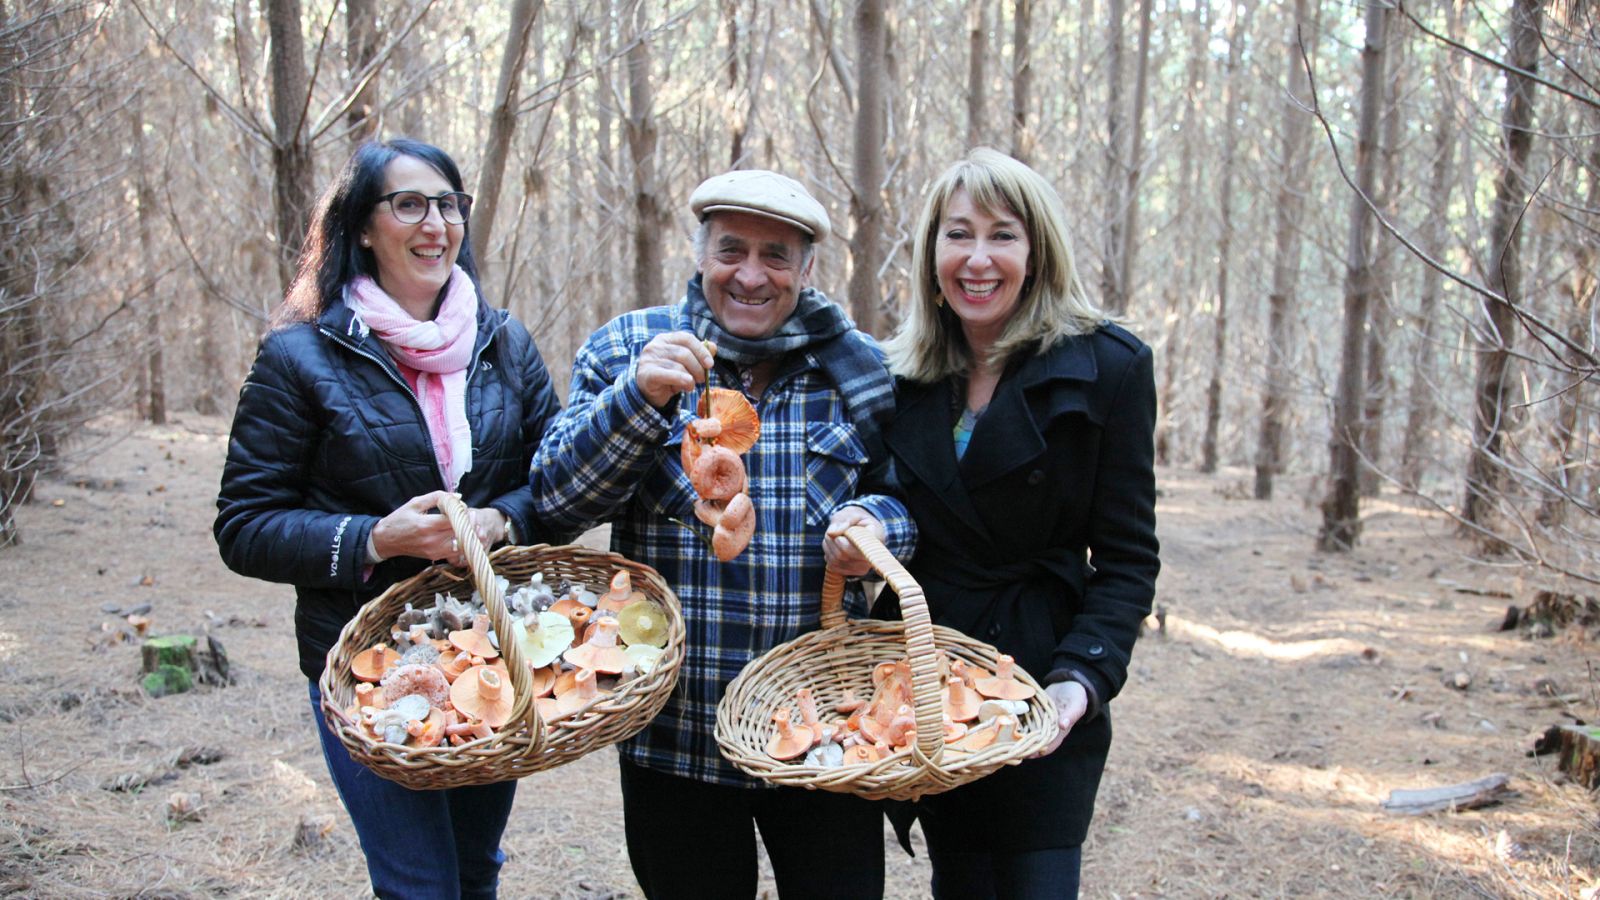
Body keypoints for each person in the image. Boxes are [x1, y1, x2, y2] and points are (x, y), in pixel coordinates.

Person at [530, 169, 914, 899]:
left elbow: (906, 502)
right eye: (731, 249)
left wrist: (877, 527)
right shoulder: (628, 350)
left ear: (806, 270)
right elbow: (554, 501)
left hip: (825, 727)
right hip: (676, 732)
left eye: (776, 256)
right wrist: (638, 400)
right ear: (700, 253)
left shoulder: (860, 368)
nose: (750, 275)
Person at [214, 138, 562, 899]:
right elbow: (243, 524)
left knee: (476, 870)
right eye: (408, 203)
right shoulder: (299, 358)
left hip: (491, 654)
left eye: (447, 203)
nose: (434, 223)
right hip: (367, 667)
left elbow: (556, 487)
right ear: (362, 228)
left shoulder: (504, 345)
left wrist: (502, 520)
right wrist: (374, 538)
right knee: (417, 884)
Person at [876, 148, 1160, 899]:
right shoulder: (898, 377)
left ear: (1036, 253)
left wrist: (1081, 679)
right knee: (961, 882)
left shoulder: (1108, 368)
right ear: (931, 253)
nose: (977, 259)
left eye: (1002, 235)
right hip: (935, 689)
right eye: (957, 234)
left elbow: (1129, 560)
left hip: (1044, 681)